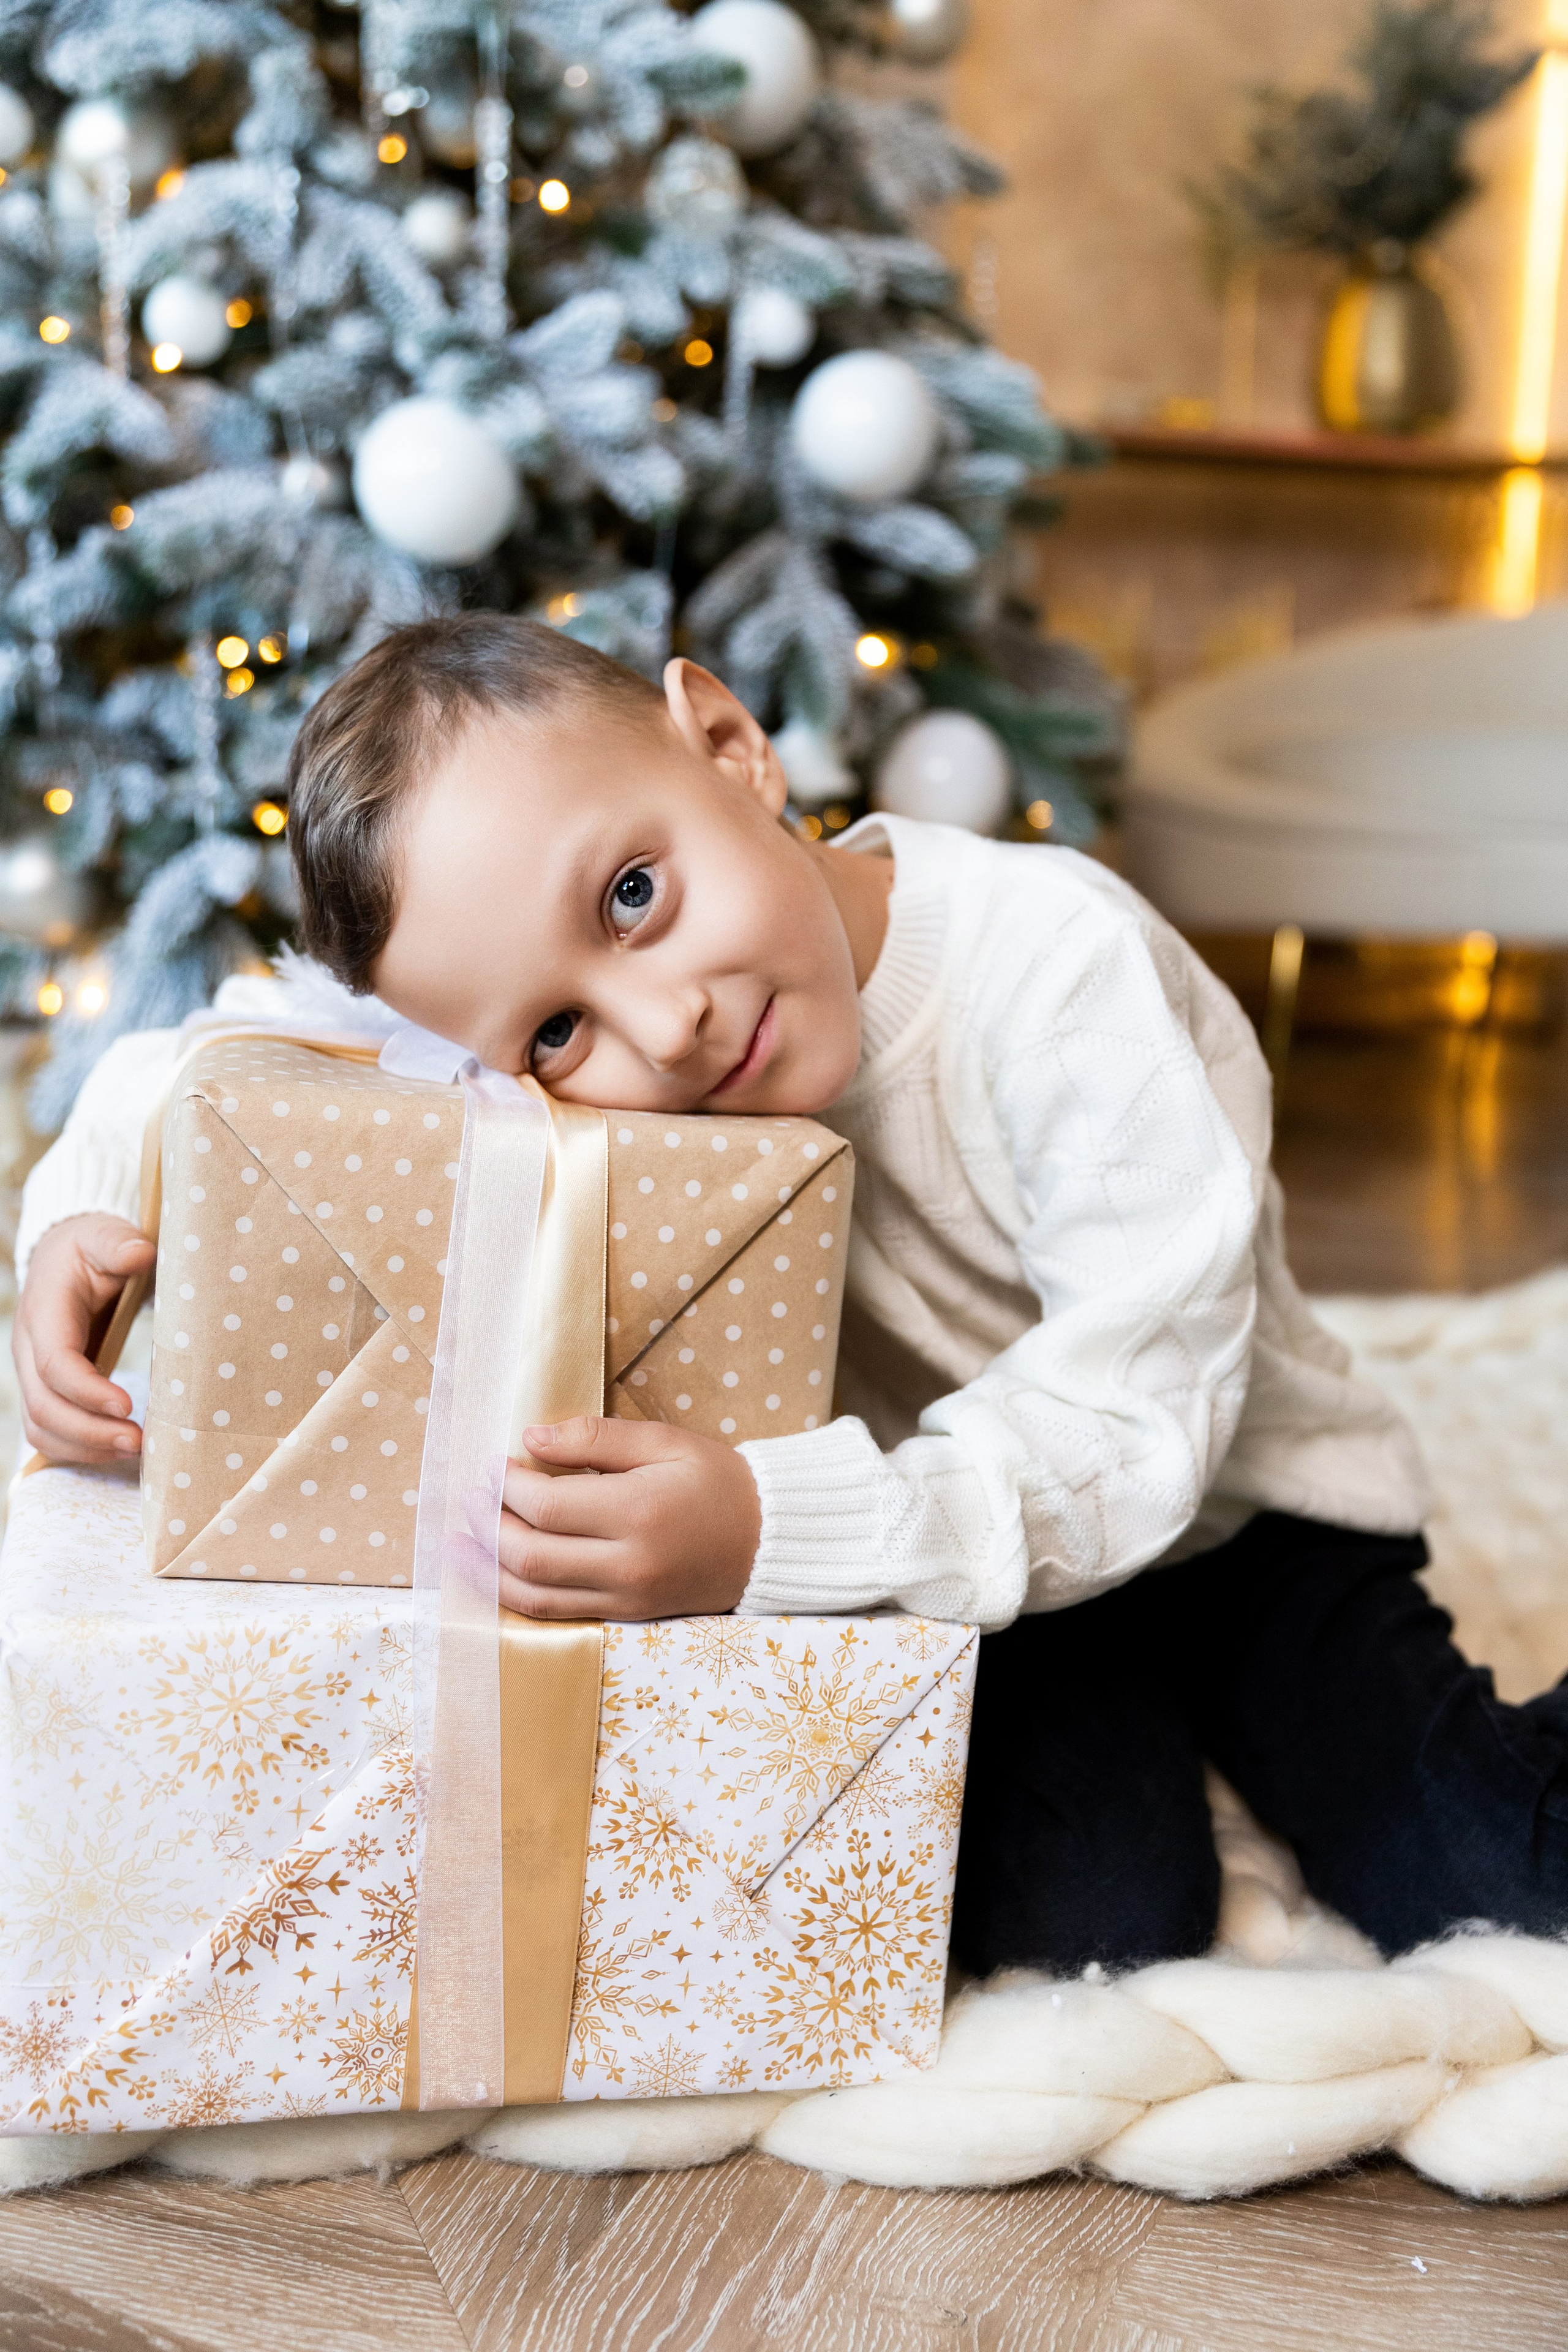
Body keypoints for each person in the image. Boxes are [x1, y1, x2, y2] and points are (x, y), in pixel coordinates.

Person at [15, 616, 1568, 1977]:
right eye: (555, 1035)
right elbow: (218, 1052)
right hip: (942, 1556)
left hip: (1238, 1524)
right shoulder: (547, 1018)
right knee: (1082, 1919)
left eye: (632, 892)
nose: (664, 1022)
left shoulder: (1061, 972)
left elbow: (1136, 1416)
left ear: (730, 748)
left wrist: (769, 1531)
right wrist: (84, 1209)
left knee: (1488, 1876)